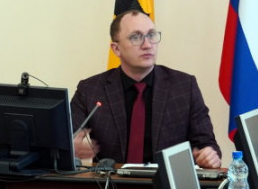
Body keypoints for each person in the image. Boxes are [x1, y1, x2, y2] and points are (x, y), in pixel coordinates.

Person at [71, 10, 222, 168]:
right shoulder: (91, 90)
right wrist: (73, 148)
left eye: (151, 35)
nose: (147, 45)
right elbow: (66, 141)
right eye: (136, 37)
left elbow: (208, 145)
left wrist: (209, 156)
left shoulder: (184, 86)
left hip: (164, 180)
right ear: (116, 49)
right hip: (112, 181)